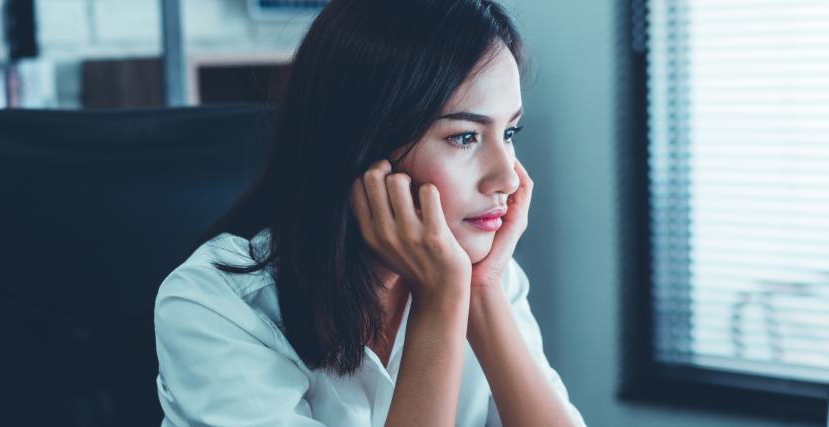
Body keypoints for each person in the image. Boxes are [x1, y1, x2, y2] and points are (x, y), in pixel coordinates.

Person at [153, 0, 585, 425]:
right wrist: (440, 305)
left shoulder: (483, 273)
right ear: (365, 147)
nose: (507, 180)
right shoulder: (215, 305)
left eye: (509, 131)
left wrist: (483, 292)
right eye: (465, 137)